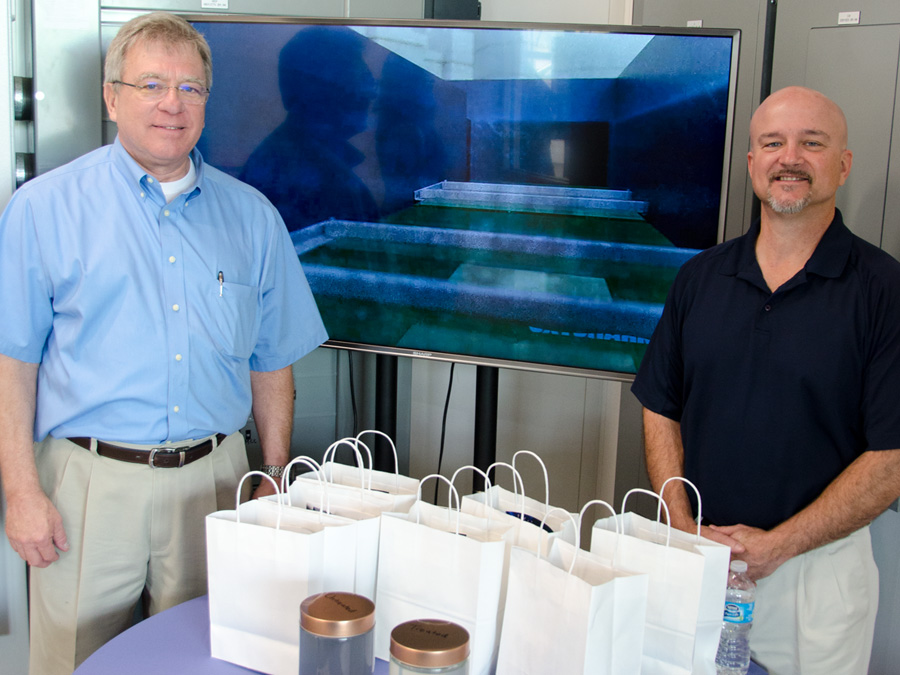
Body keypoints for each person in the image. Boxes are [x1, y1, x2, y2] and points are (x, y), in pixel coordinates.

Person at [0, 12, 327, 675]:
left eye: (190, 88)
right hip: (87, 487)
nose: (172, 104)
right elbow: (13, 363)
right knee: (73, 663)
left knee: (214, 660)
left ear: (207, 101)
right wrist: (20, 493)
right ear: (112, 95)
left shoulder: (254, 218)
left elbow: (272, 363)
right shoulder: (42, 209)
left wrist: (272, 470)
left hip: (216, 484)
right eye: (151, 84)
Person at [632, 85, 900, 674]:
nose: (790, 158)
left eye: (813, 143)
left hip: (814, 579)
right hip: (699, 560)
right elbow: (660, 407)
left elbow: (891, 457)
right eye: (773, 143)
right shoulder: (699, 279)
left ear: (844, 164)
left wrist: (777, 547)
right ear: (752, 162)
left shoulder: (884, 291)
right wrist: (682, 527)